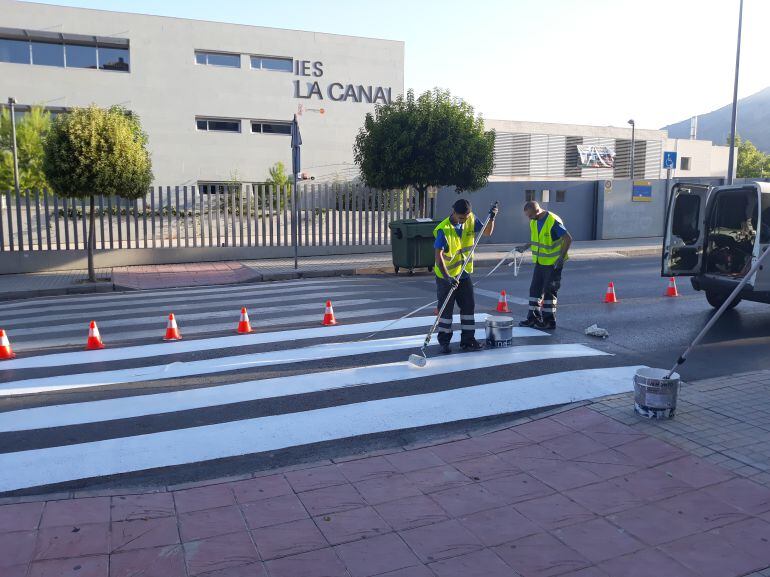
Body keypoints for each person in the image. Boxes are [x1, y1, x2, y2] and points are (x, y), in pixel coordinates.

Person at [434, 198, 497, 354]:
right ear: (453, 212)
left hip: (464, 274)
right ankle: (444, 342)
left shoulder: (471, 219)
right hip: (446, 277)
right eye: (461, 218)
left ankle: (468, 341)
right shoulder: (444, 229)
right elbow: (438, 257)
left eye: (466, 217)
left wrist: (492, 218)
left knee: (468, 307)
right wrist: (448, 277)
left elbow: (487, 232)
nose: (464, 220)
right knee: (446, 312)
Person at [515, 201, 572, 330]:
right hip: (540, 262)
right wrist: (525, 246)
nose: (529, 218)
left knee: (549, 292)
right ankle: (533, 318)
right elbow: (536, 239)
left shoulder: (552, 221)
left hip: (553, 263)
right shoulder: (534, 221)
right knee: (534, 290)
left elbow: (568, 238)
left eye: (530, 215)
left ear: (537, 211)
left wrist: (561, 258)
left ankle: (549, 321)